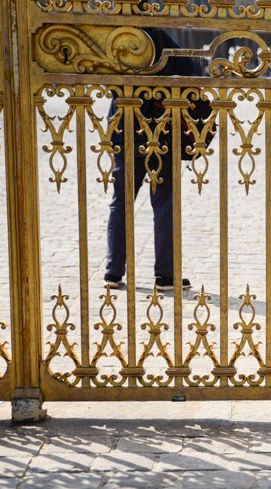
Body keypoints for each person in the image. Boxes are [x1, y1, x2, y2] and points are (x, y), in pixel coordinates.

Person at [104, 27, 200, 293]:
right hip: (161, 129)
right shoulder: (158, 37)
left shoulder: (115, 36)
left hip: (124, 125)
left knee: (121, 201)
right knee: (164, 202)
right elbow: (191, 70)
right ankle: (166, 275)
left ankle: (113, 271)